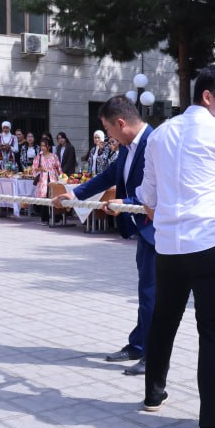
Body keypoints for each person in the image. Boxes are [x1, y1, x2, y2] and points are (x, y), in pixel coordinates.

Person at [137, 65, 215, 428]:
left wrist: (169, 210)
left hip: (169, 246)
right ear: (207, 96)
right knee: (214, 332)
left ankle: (153, 393)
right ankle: (211, 421)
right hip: (209, 243)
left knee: (164, 319)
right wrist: (206, 212)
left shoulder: (160, 134)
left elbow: (148, 195)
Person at [57, 95, 155, 377]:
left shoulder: (155, 143)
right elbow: (111, 175)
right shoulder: (127, 146)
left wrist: (129, 202)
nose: (108, 136)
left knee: (153, 294)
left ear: (120, 123)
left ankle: (153, 354)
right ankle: (138, 344)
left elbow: (164, 187)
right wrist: (75, 194)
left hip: (160, 230)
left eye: (108, 129)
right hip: (143, 229)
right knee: (146, 290)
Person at [31, 136, 63, 225]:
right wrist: (41, 169)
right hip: (43, 179)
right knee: (44, 198)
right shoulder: (38, 157)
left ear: (48, 146)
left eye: (44, 146)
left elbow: (59, 168)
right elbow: (34, 168)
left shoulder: (54, 156)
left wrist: (62, 178)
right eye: (41, 146)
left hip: (53, 179)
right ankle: (44, 218)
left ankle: (56, 217)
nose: (43, 148)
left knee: (53, 197)